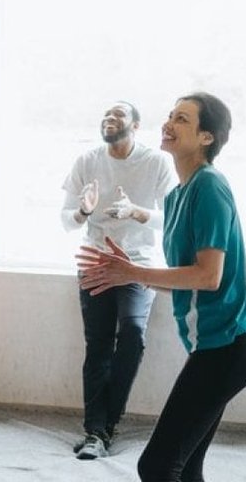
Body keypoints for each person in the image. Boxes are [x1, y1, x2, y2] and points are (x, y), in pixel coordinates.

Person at [78, 93, 246, 482]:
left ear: (207, 137)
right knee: (184, 469)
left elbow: (208, 276)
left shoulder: (209, 186)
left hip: (228, 350)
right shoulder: (177, 196)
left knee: (156, 467)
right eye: (170, 116)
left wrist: (134, 272)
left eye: (182, 119)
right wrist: (129, 274)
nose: (168, 124)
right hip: (209, 348)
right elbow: (186, 281)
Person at [60, 101, 177, 460]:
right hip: (95, 262)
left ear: (135, 126)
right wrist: (84, 210)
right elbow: (67, 220)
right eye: (106, 114)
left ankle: (105, 423)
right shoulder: (87, 161)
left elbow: (172, 218)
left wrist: (135, 212)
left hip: (137, 265)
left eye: (118, 115)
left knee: (132, 334)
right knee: (97, 346)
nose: (109, 119)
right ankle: (96, 432)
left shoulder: (156, 162)